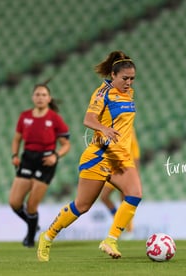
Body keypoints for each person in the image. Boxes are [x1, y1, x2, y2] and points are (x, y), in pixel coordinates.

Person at [37, 50, 142, 262]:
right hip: (99, 156)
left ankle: (110, 240)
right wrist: (103, 128)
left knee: (135, 194)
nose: (129, 82)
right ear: (113, 75)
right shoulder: (102, 94)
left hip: (120, 157)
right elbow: (88, 119)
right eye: (125, 78)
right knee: (82, 206)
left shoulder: (128, 93)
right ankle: (47, 237)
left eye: (132, 79)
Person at [9, 81, 70, 248]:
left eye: (44, 95)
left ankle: (29, 238)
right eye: (37, 94)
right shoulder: (25, 116)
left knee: (31, 205)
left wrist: (55, 156)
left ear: (49, 98)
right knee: (14, 202)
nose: (40, 98)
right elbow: (16, 139)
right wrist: (15, 155)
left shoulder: (54, 118)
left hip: (46, 161)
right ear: (32, 97)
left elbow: (66, 144)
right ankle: (33, 224)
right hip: (28, 158)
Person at [99, 127, 140, 239]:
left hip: (126, 166)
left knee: (125, 199)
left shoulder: (128, 128)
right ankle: (119, 222)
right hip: (113, 167)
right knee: (104, 197)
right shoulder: (109, 127)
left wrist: (136, 171)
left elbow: (135, 150)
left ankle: (129, 230)